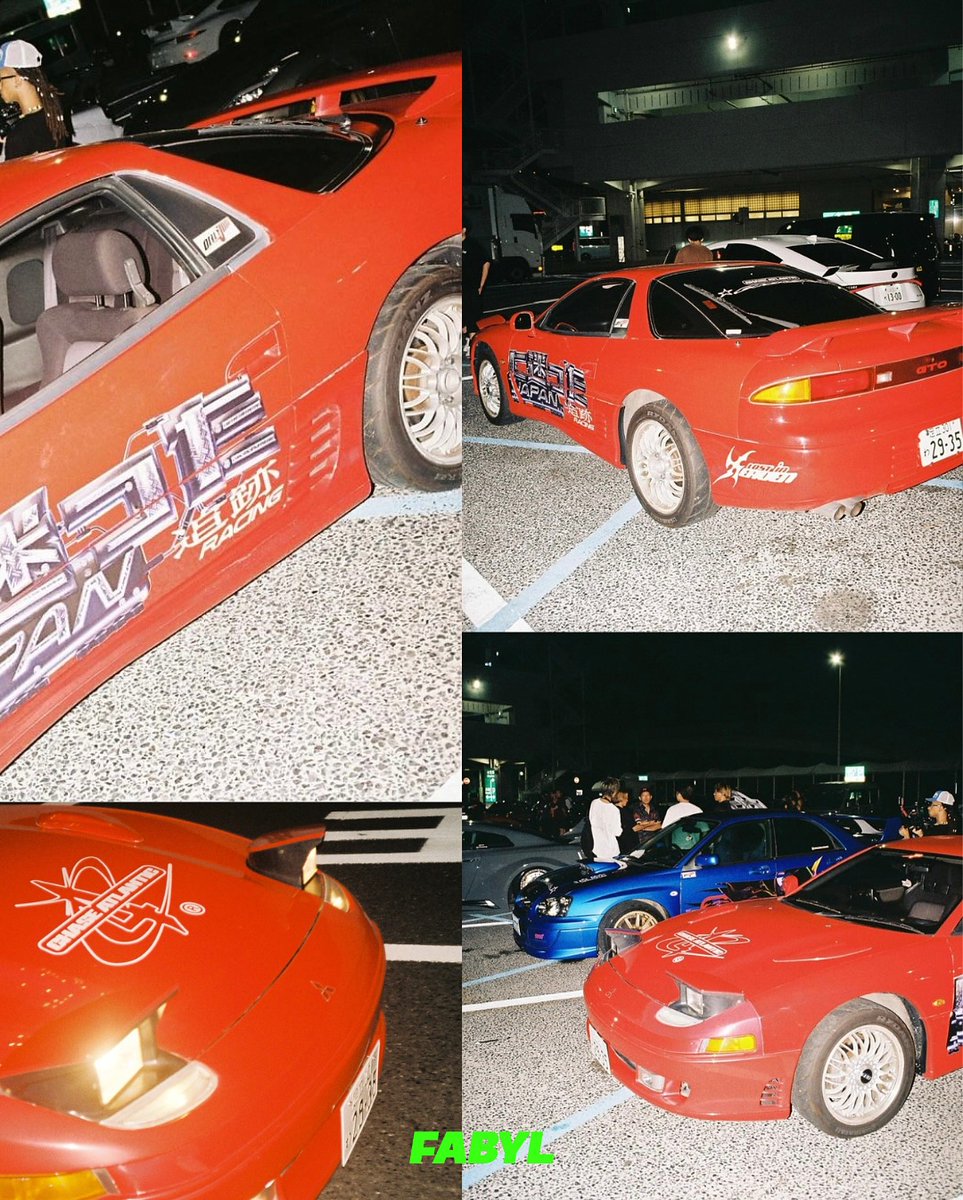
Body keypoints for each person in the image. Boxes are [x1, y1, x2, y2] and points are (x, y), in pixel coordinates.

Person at [0, 40, 70, 161]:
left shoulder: (19, 136)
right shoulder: (51, 115)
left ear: (17, 80)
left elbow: (12, 178)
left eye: (0, 80)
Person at [462, 223, 491, 352]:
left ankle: (473, 347)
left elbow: (486, 263)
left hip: (471, 286)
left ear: (464, 230)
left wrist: (481, 285)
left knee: (472, 317)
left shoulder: (473, 245)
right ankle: (468, 339)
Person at [588, 777, 623, 861]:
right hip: (611, 851)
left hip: (597, 849)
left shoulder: (594, 803)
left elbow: (591, 821)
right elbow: (618, 832)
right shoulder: (614, 810)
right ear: (614, 792)